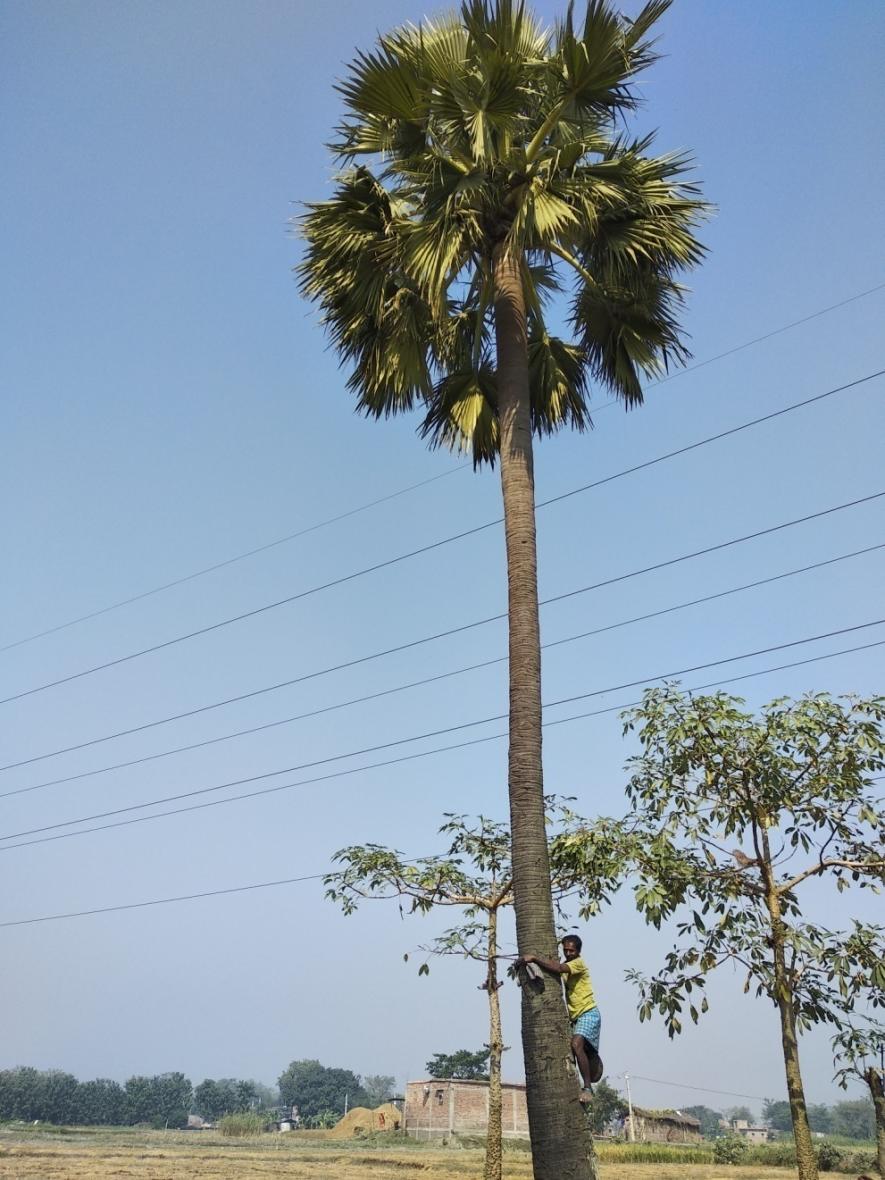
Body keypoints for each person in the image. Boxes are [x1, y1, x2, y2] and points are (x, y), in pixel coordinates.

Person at [519, 934, 602, 1103]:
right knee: (576, 1048)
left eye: (571, 950)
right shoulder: (567, 965)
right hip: (575, 1017)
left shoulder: (578, 964)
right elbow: (554, 969)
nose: (568, 953)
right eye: (565, 950)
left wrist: (534, 957)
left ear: (578, 951)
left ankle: (587, 1088)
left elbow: (557, 969)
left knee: (576, 1044)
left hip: (588, 1012)